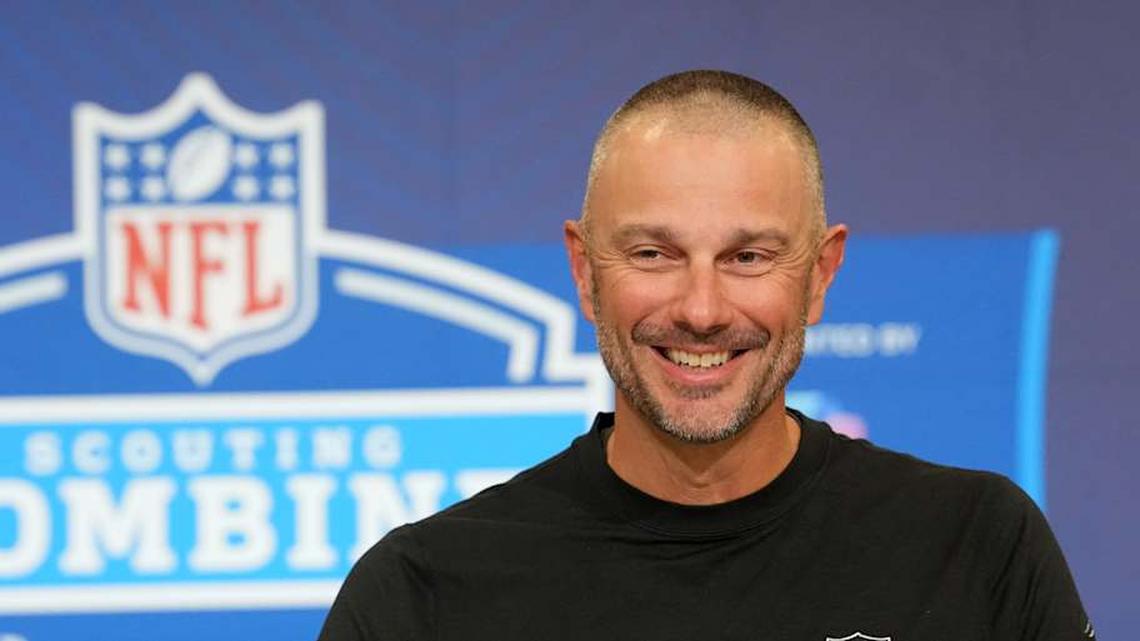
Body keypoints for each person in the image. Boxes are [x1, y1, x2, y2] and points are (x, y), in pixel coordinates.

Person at [318, 70, 1092, 640]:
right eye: (653, 252)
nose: (700, 308)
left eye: (749, 256)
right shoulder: (422, 596)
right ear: (586, 273)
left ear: (820, 276)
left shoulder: (977, 547)